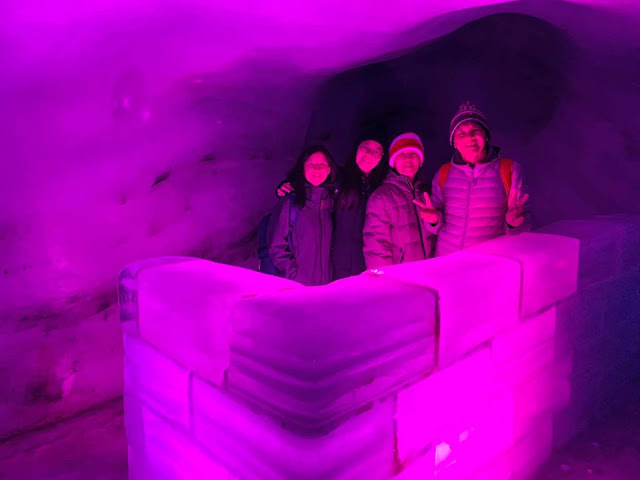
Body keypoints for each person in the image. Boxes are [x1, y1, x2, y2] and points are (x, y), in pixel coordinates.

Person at [414, 101, 530, 257]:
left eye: (475, 130)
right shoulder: (443, 173)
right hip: (449, 260)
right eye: (461, 133)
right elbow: (435, 225)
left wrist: (513, 224)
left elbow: (526, 223)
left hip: (489, 261)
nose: (469, 136)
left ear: (486, 136)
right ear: (454, 142)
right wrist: (433, 220)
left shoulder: (509, 170)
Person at [276, 132, 389, 280]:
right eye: (365, 148)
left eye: (376, 151)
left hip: (369, 268)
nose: (369, 155)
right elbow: (313, 186)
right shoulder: (337, 180)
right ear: (356, 148)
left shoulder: (384, 188)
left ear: (382, 158)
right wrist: (289, 186)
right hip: (335, 270)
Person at [268, 146, 337, 286]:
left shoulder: (333, 202)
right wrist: (294, 276)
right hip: (298, 287)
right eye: (311, 165)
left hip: (326, 286)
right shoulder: (290, 202)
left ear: (329, 169)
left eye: (322, 165)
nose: (317, 170)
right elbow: (276, 247)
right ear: (302, 168)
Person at [363, 132, 433, 268]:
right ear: (393, 162)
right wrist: (385, 279)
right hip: (399, 276)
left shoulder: (427, 192)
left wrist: (435, 222)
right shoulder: (381, 197)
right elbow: (376, 247)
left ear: (420, 161)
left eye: (413, 154)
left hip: (428, 272)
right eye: (401, 155)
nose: (408, 159)